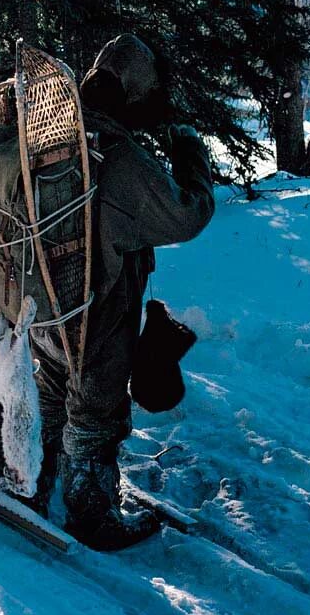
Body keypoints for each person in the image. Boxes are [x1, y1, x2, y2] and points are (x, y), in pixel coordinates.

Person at [28, 33, 215, 550]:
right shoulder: (116, 155)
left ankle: (38, 484)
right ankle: (92, 514)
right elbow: (186, 214)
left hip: (44, 305)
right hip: (98, 311)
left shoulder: (53, 137)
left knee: (53, 397)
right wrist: (191, 154)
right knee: (96, 412)